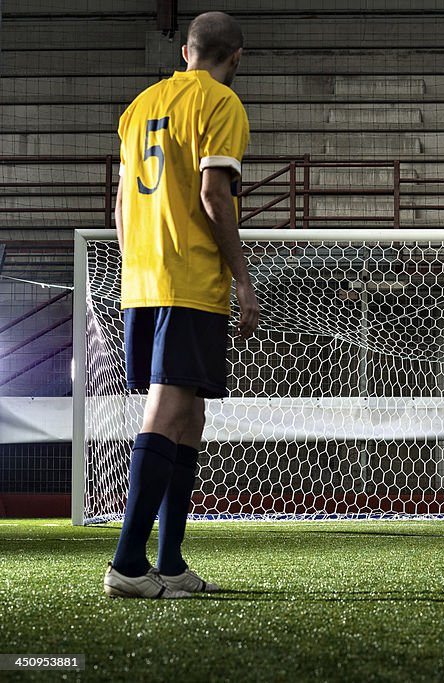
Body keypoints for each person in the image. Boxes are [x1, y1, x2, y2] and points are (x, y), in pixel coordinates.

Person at [103, 11, 259, 599]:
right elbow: (213, 194)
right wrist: (244, 279)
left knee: (189, 418)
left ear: (187, 50)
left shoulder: (139, 106)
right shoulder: (221, 104)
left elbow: (119, 205)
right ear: (235, 57)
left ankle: (169, 563)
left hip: (141, 281)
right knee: (168, 411)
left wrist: (136, 266)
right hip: (188, 280)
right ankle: (126, 564)